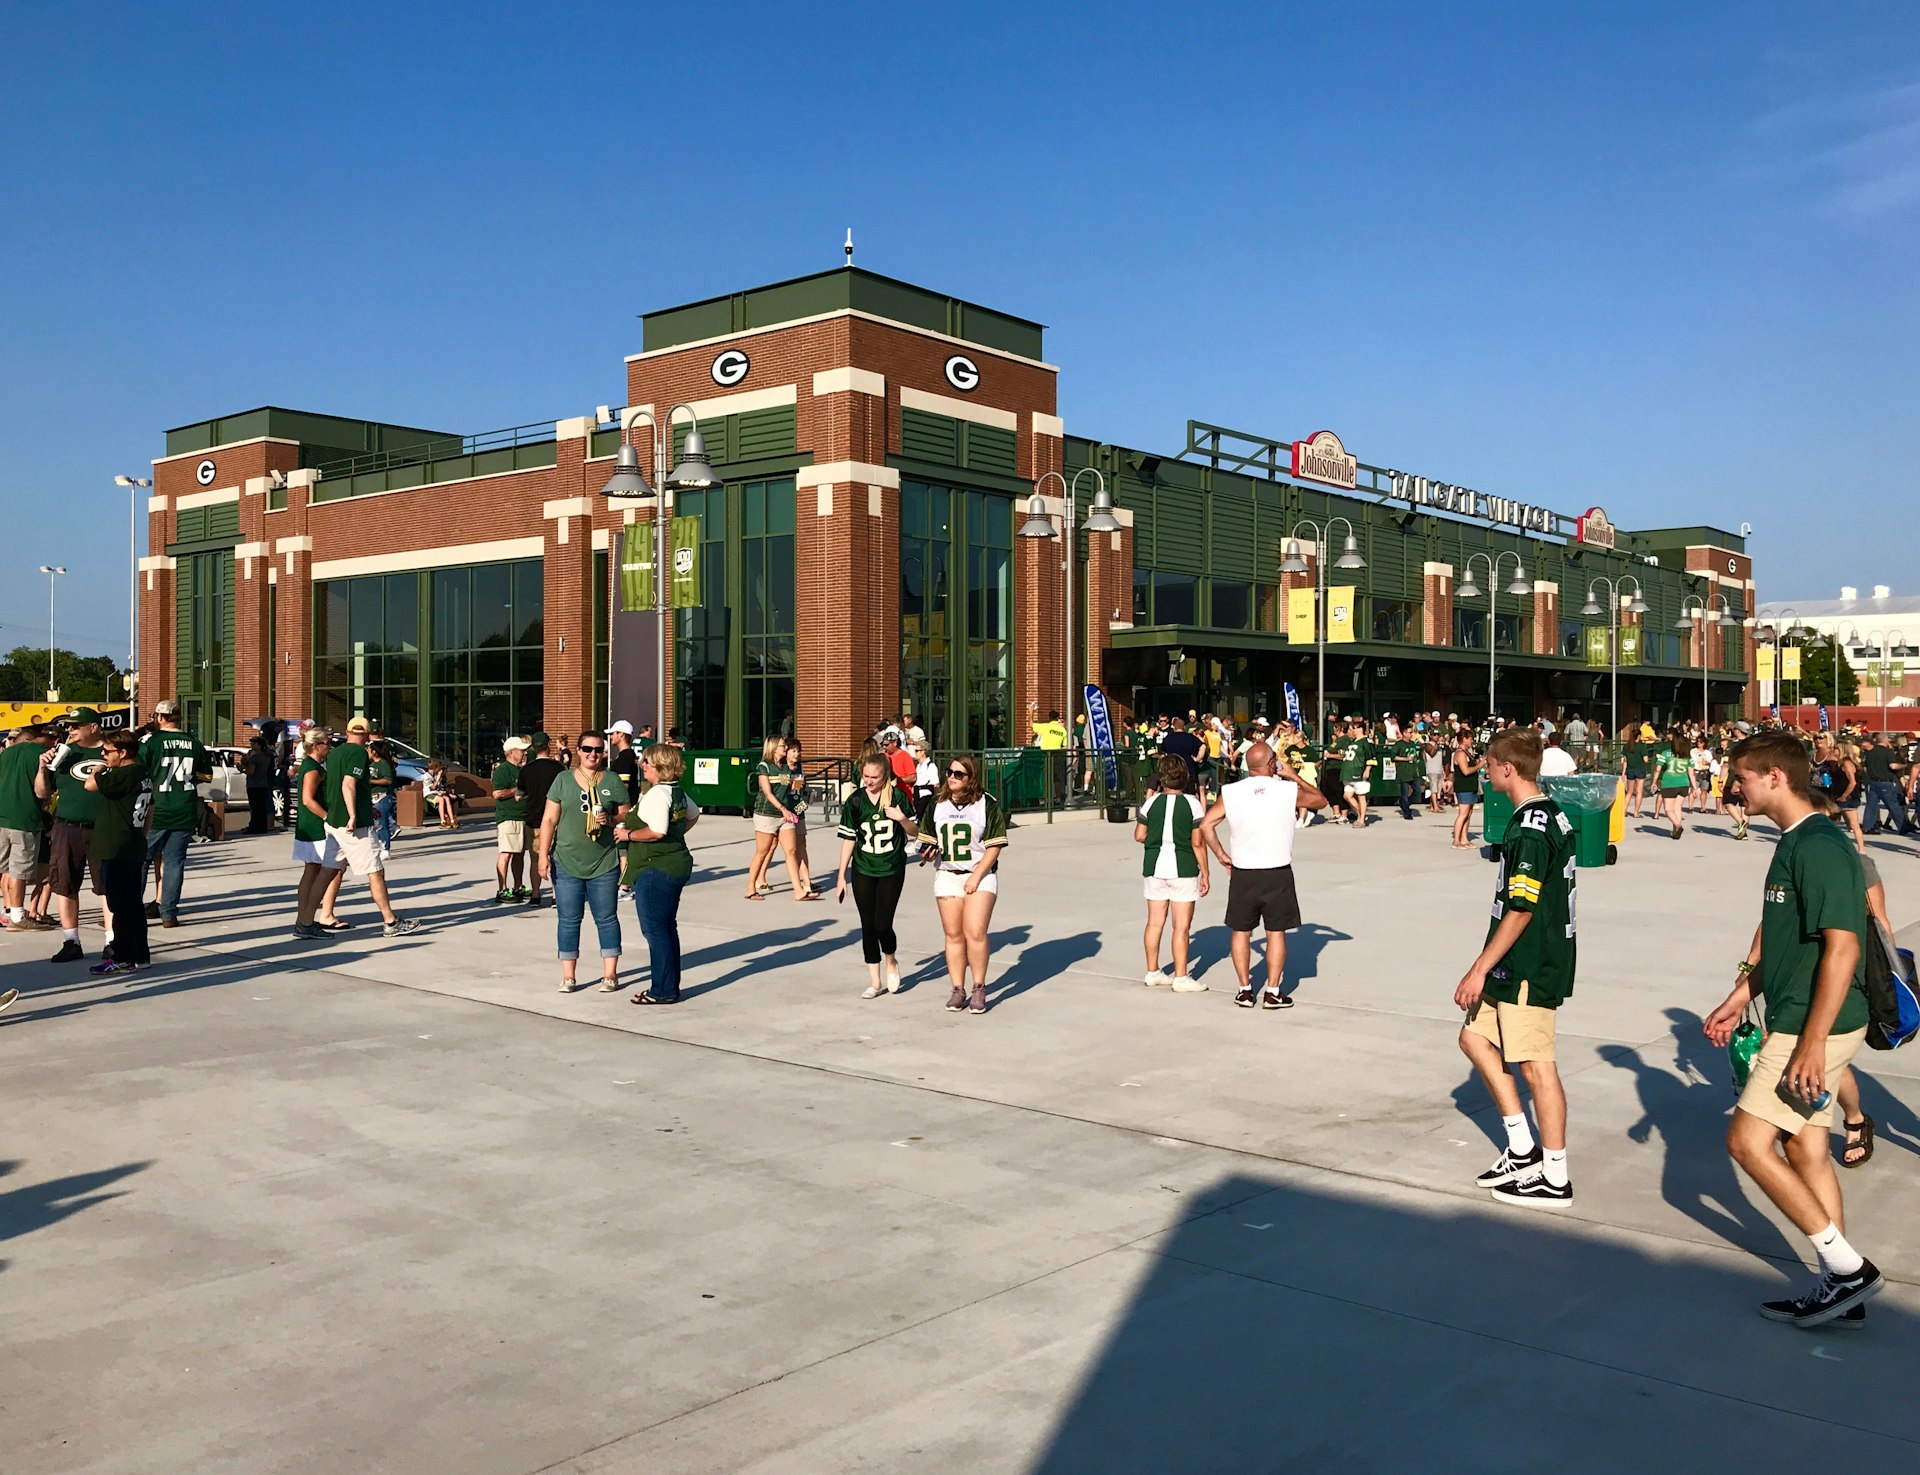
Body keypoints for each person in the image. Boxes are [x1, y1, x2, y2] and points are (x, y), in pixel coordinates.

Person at [1702, 732, 1881, 1327]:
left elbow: (1843, 948)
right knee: (1806, 1150)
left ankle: (1847, 1269)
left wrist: (1809, 1043)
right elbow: (1785, 943)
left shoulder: (1820, 845)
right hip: (1796, 1015)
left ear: (1776, 777)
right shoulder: (1793, 843)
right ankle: (1843, 1291)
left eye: (1743, 777)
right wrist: (1739, 995)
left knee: (1746, 1144)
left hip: (1814, 1025)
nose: (1734, 787)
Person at [1455, 728, 1578, 1210]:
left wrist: (1478, 968)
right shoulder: (1548, 813)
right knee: (1474, 1038)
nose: (1484, 772)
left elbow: (1522, 908)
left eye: (1488, 765)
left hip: (1528, 962)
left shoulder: (1529, 828)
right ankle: (1522, 1149)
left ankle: (1555, 1175)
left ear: (1508, 768)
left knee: (1535, 1066)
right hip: (1513, 961)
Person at [1198, 741, 1325, 1009]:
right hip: (1276, 869)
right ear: (1272, 764)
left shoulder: (1231, 791)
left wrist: (1221, 855)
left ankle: (1244, 989)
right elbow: (1320, 801)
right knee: (1275, 932)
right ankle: (1273, 990)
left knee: (1241, 930)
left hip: (1243, 871)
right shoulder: (1286, 790)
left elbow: (1207, 823)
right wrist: (1292, 774)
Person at [537, 729, 629, 993]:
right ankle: (569, 977)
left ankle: (610, 975)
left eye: (598, 750)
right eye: (587, 749)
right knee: (568, 919)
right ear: (577, 751)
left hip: (603, 861)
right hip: (566, 860)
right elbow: (549, 819)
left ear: (604, 752)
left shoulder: (611, 780)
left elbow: (626, 814)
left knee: (607, 918)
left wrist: (611, 820)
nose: (593, 754)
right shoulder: (563, 780)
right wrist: (543, 855)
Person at [919, 753, 1007, 1015]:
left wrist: (976, 876)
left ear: (971, 778)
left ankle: (979, 986)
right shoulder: (937, 804)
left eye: (959, 774)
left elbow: (995, 846)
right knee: (953, 934)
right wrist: (927, 851)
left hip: (979, 873)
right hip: (947, 874)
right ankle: (958, 988)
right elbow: (926, 840)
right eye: (950, 772)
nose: (952, 778)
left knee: (976, 931)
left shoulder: (986, 804)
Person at [324, 717, 420, 937]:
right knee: (375, 870)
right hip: (354, 825)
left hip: (334, 821)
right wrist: (354, 814)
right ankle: (390, 921)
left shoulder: (334, 753)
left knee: (330, 870)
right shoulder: (359, 753)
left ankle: (317, 916)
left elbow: (334, 786)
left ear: (347, 731)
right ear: (367, 735)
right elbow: (348, 784)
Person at [620, 742, 701, 1005]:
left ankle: (662, 990)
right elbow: (693, 814)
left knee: (655, 929)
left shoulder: (657, 794)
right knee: (666, 928)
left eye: (646, 761)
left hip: (656, 868)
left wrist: (627, 834)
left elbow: (657, 831)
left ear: (660, 766)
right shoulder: (675, 791)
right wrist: (677, 836)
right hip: (674, 864)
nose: (642, 765)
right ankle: (668, 986)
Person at [835, 752, 918, 999]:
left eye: (875, 777)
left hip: (891, 867)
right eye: (866, 776)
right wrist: (841, 876)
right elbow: (849, 839)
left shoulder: (898, 797)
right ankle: (875, 981)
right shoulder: (856, 801)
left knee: (883, 923)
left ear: (886, 776)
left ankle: (891, 960)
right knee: (867, 925)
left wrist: (901, 818)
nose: (869, 781)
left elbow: (916, 832)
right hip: (863, 868)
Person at [40, 707, 109, 963]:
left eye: (75, 726)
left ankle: (111, 941)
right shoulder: (64, 755)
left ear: (94, 726)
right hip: (67, 826)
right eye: (68, 726)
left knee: (106, 886)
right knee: (65, 884)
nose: (70, 730)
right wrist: (42, 767)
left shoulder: (110, 751)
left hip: (103, 827)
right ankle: (71, 941)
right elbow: (42, 793)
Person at [1136, 754, 1210, 991]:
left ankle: (1152, 971)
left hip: (1154, 867)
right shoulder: (1192, 803)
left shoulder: (1151, 801)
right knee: (1181, 926)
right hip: (1183, 867)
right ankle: (1181, 977)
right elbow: (1198, 843)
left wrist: (1157, 838)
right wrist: (1206, 873)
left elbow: (1139, 835)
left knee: (1154, 922)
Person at [82, 733, 152, 977]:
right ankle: (140, 955)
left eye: (107, 751)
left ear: (123, 753)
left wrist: (98, 769)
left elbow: (90, 785)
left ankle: (122, 957)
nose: (103, 755)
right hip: (132, 843)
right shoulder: (142, 772)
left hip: (117, 847)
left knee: (119, 905)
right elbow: (150, 809)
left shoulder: (124, 773)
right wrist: (140, 833)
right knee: (133, 905)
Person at [138, 699, 210, 929]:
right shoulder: (194, 742)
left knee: (141, 860)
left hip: (156, 808)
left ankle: (132, 908)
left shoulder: (151, 741)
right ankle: (168, 913)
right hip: (185, 807)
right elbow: (206, 775)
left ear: (159, 718)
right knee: (174, 863)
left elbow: (138, 770)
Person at [291, 728, 347, 940]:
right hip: (315, 826)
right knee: (322, 870)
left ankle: (303, 918)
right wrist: (327, 818)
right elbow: (307, 799)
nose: (329, 748)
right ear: (316, 746)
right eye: (327, 744)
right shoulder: (312, 768)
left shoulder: (311, 766)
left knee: (311, 871)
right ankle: (306, 920)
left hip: (309, 824)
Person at [0, 725, 54, 930]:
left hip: (2, 817)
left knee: (4, 868)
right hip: (25, 819)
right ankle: (17, 916)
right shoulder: (40, 754)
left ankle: (7, 911)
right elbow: (43, 792)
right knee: (19, 871)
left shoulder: (6, 754)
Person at [746, 735, 799, 899]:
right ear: (773, 748)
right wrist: (783, 809)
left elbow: (791, 789)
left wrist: (800, 796)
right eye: (783, 746)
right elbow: (768, 793)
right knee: (762, 851)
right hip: (766, 813)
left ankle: (799, 890)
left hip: (785, 814)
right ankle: (750, 888)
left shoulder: (786, 767)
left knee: (791, 850)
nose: (786, 748)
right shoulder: (764, 767)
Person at [517, 734, 563, 907]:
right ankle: (555, 895)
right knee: (555, 858)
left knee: (536, 859)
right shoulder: (558, 768)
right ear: (548, 745)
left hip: (534, 820)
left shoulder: (526, 770)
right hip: (556, 820)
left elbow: (518, 795)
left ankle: (535, 895)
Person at [491, 736, 532, 903]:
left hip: (523, 817)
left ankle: (518, 886)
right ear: (511, 752)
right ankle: (502, 889)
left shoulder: (522, 770)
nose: (524, 753)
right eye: (521, 750)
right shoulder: (503, 770)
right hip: (508, 817)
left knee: (519, 854)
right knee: (506, 853)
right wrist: (517, 790)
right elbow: (497, 793)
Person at [780, 737, 819, 901]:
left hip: (798, 810)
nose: (796, 754)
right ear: (786, 752)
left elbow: (797, 790)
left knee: (801, 845)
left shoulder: (799, 768)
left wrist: (806, 798)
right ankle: (758, 879)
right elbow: (783, 791)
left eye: (798, 751)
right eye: (793, 751)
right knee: (770, 849)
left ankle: (807, 882)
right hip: (784, 813)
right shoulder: (782, 768)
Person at [1858, 732, 1912, 836]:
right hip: (1885, 782)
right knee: (1893, 806)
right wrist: (1904, 766)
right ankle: (1903, 827)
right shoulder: (1888, 752)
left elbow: (1864, 768)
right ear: (1885, 740)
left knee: (1871, 806)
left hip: (1873, 782)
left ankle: (1867, 826)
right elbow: (1893, 766)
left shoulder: (1869, 752)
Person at [1653, 731, 1693, 839]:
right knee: (1677, 808)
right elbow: (1691, 773)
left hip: (1669, 783)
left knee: (1668, 809)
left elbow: (1658, 768)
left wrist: (1654, 782)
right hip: (1684, 783)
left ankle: (1678, 826)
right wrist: (1694, 787)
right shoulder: (1687, 756)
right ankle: (1675, 831)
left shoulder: (1665, 753)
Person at [1158, 715, 1205, 798]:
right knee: (1190, 795)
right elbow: (1203, 746)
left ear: (1174, 727)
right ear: (1183, 727)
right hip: (1188, 768)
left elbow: (1163, 753)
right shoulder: (1190, 738)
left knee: (1172, 793)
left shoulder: (1168, 738)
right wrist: (1198, 758)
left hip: (1172, 769)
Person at [1450, 732, 1482, 849]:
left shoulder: (1468, 752)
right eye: (1470, 739)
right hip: (1463, 787)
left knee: (1468, 814)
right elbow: (1466, 771)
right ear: (1464, 739)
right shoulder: (1460, 753)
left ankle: (1464, 838)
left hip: (1471, 786)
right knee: (1463, 814)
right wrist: (1479, 766)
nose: (1471, 741)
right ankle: (1456, 840)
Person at [1031, 706, 1068, 805]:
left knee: (1047, 777)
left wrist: (1031, 712)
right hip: (1058, 754)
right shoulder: (1063, 730)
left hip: (1046, 754)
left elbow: (1031, 724)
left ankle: (1047, 798)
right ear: (1058, 718)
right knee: (1057, 778)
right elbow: (1065, 745)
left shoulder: (1046, 727)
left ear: (1049, 718)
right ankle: (1058, 798)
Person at [367, 740, 398, 858]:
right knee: (374, 825)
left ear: (374, 751)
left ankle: (385, 848)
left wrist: (371, 781)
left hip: (382, 796)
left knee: (382, 823)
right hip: (371, 796)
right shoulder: (369, 764)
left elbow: (388, 780)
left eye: (369, 749)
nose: (367, 752)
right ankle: (377, 846)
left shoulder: (383, 763)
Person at [606, 719, 641, 804]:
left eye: (612, 734)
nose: (610, 737)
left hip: (624, 807)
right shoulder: (629, 754)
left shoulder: (625, 757)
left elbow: (623, 786)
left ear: (621, 734)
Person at [424, 757, 457, 829]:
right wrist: (438, 777)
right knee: (441, 800)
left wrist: (442, 791)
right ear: (434, 768)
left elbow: (438, 787)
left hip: (437, 793)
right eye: (438, 768)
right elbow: (432, 788)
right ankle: (443, 821)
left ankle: (452, 820)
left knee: (447, 798)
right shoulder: (426, 776)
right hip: (429, 795)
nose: (439, 770)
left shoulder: (435, 775)